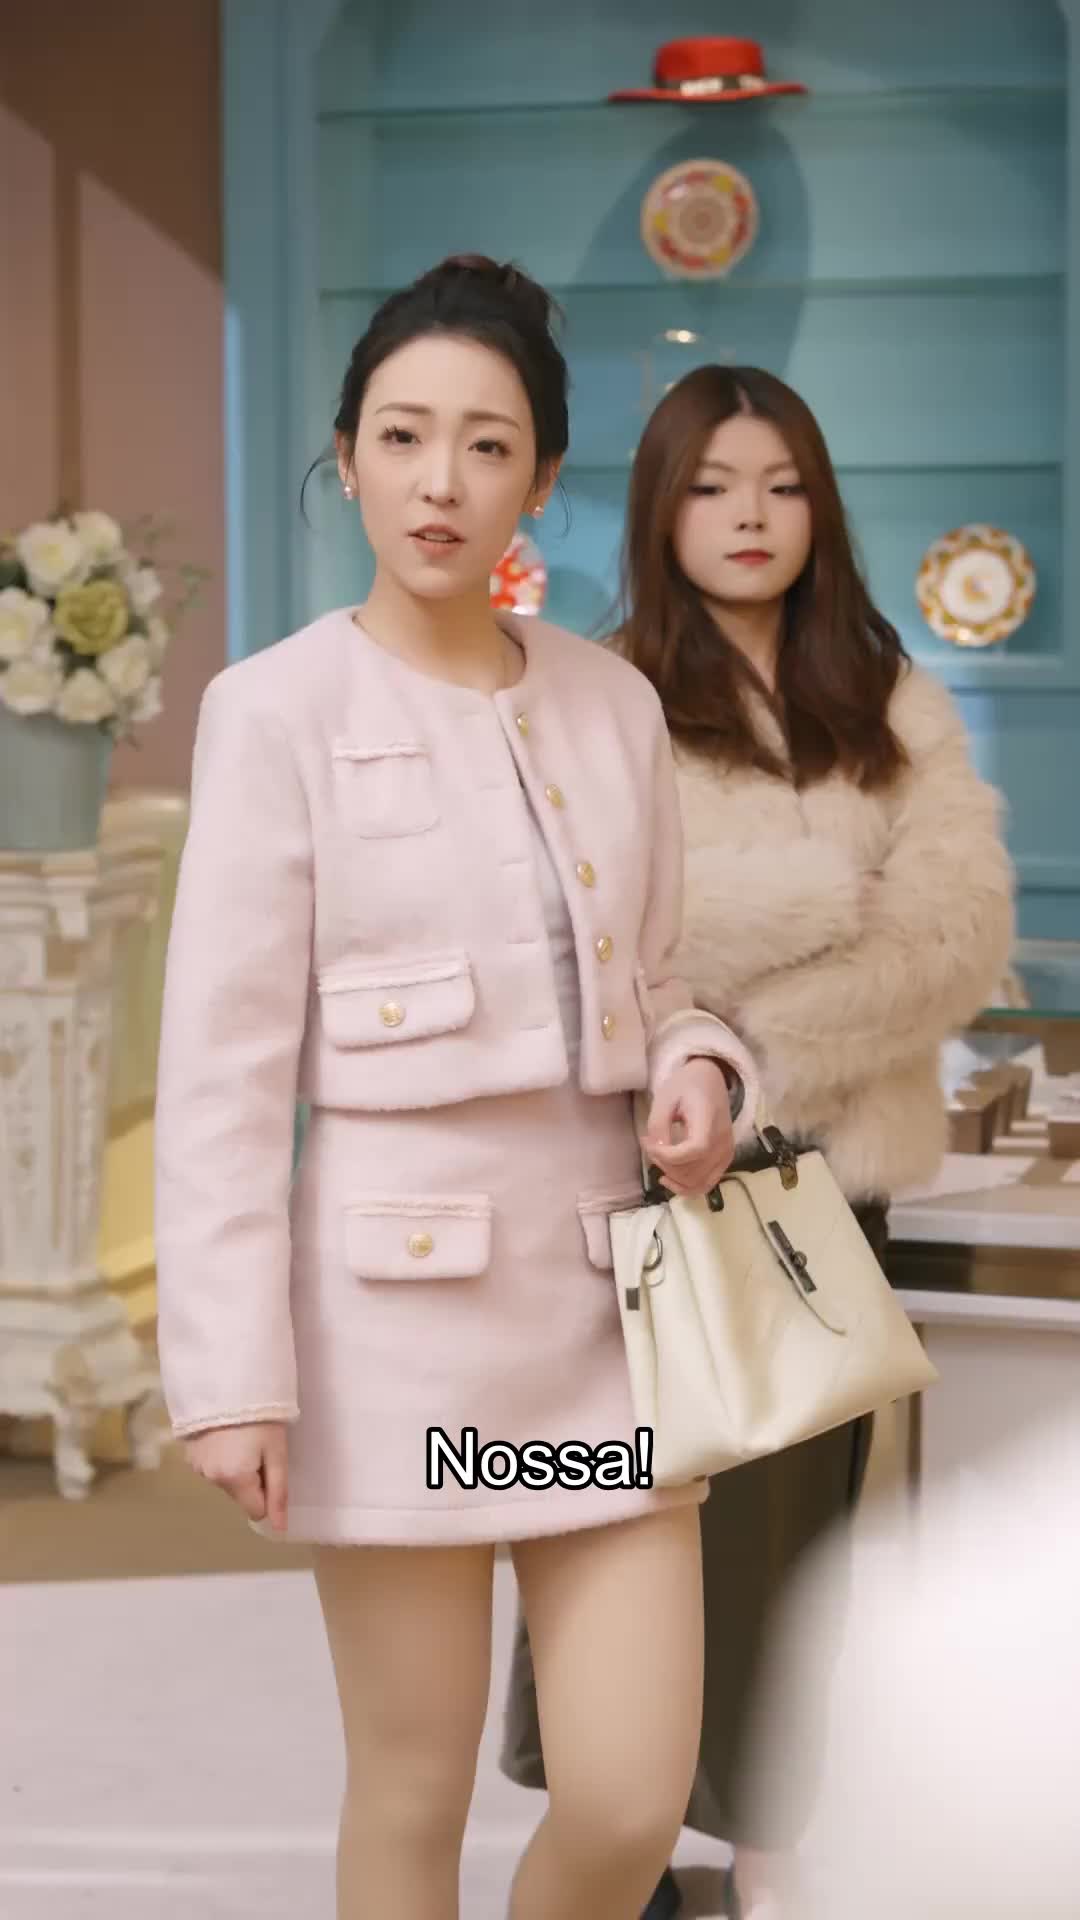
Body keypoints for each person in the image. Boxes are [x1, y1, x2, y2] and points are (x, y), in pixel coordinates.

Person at [151, 259, 762, 1920]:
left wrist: (700, 1071)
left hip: (599, 1330)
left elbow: (666, 985)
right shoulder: (272, 711)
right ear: (346, 455)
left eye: (486, 445)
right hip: (393, 1339)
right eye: (403, 436)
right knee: (412, 1788)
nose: (440, 481)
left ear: (540, 479)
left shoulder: (613, 703)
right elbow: (219, 1077)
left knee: (630, 1799)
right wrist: (232, 1375)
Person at [499, 364, 1015, 1920]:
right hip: (650, 1190)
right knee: (629, 1541)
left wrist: (749, 1042)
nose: (750, 515)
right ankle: (626, 1847)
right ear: (662, 507)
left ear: (821, 508)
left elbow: (957, 934)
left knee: (804, 1559)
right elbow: (599, 931)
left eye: (782, 485)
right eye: (714, 485)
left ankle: (777, 1863)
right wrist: (820, 900)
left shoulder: (891, 696)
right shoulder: (602, 691)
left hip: (827, 1194)